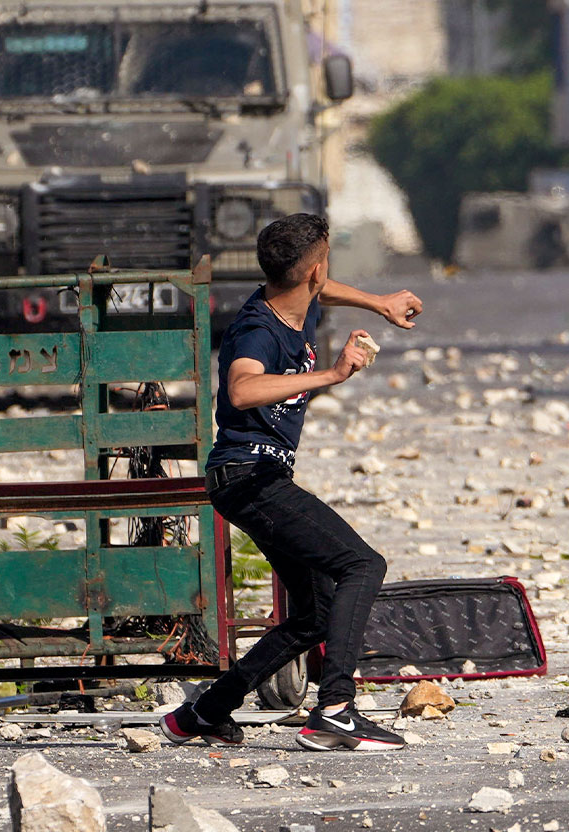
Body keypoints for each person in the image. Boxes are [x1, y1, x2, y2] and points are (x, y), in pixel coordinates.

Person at [161, 213, 424, 752]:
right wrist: (332, 373)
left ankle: (204, 713)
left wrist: (380, 303)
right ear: (314, 270)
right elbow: (241, 389)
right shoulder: (259, 327)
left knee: (315, 612)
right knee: (362, 565)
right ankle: (336, 709)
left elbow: (322, 284)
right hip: (248, 476)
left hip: (255, 476)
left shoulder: (300, 297)